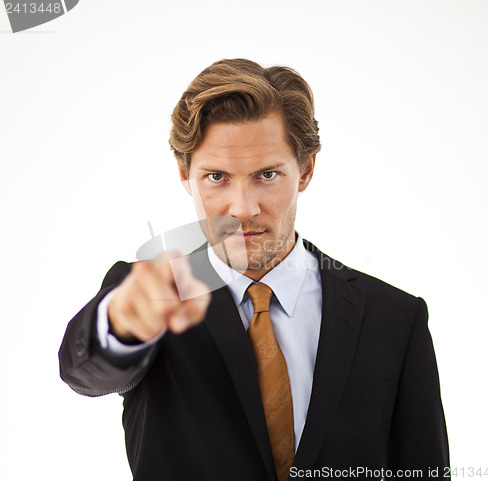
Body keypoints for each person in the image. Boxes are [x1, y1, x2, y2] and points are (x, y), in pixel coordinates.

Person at [59, 58, 449, 481]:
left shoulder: (394, 317)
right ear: (184, 174)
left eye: (266, 175)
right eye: (216, 177)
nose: (242, 209)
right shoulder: (147, 292)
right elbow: (86, 371)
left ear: (305, 170)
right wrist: (121, 323)